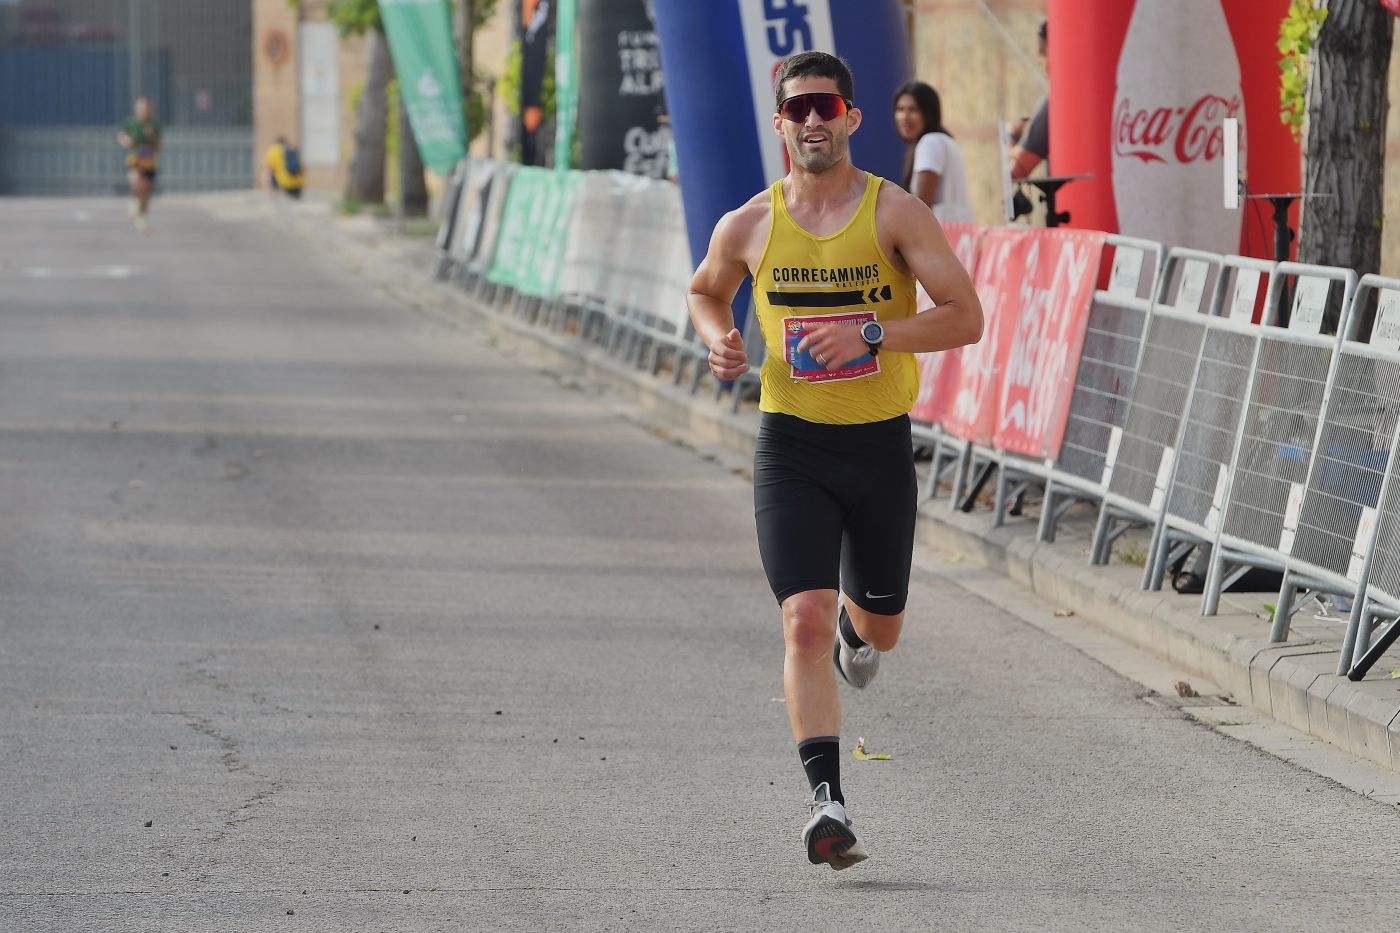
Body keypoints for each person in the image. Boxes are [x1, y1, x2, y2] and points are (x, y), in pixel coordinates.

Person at [686, 51, 983, 870]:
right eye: (798, 108)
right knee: (803, 618)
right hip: (792, 446)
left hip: (879, 445)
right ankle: (828, 803)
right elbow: (705, 290)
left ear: (851, 117)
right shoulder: (748, 223)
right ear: (779, 123)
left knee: (878, 627)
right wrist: (720, 339)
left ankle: (862, 626)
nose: (812, 120)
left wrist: (873, 333)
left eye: (826, 106)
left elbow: (966, 316)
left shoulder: (896, 215)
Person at [892, 81, 973, 223]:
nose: (904, 117)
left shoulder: (930, 142)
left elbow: (921, 208)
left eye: (913, 110)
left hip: (942, 234)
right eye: (900, 109)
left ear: (928, 113)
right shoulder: (943, 140)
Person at [1008, 20, 1049, 180]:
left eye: (1042, 61)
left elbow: (1014, 171)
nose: (1042, 67)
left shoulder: (1051, 105)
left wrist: (1011, 135)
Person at [117, 97, 160, 233]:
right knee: (136, 183)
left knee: (146, 190)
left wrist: (151, 136)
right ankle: (133, 205)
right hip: (135, 158)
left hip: (149, 159)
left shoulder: (154, 125)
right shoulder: (131, 123)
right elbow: (121, 136)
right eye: (141, 109)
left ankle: (143, 218)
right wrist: (126, 140)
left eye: (146, 109)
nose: (143, 111)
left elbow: (159, 146)